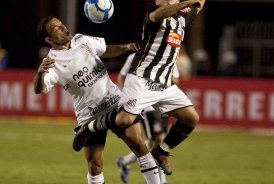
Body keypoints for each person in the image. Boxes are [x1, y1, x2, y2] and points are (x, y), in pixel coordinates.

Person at [74, 0, 205, 176]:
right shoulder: (154, 14)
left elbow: (200, 4)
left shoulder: (182, 17)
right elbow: (162, 13)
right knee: (124, 121)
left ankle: (161, 152)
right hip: (141, 79)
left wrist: (189, 5)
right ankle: (88, 128)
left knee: (191, 118)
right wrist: (185, 4)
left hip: (165, 84)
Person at [34, 16, 161, 184]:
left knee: (139, 145)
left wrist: (127, 47)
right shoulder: (51, 62)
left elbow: (105, 50)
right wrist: (40, 73)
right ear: (49, 39)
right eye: (57, 28)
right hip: (90, 116)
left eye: (62, 24)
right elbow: (39, 89)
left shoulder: (81, 39)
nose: (64, 28)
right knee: (95, 165)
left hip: (116, 103)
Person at [116, 52, 178, 184]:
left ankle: (124, 162)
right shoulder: (134, 56)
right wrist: (126, 95)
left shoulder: (169, 54)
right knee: (159, 140)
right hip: (147, 104)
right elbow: (121, 76)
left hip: (163, 104)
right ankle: (162, 181)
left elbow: (176, 79)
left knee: (152, 142)